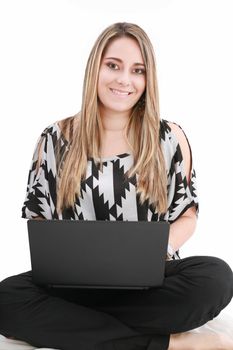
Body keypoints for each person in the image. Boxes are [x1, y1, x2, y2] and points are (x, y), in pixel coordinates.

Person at [0, 22, 233, 350]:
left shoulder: (169, 138)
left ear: (148, 79)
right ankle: (170, 344)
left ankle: (69, 323)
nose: (125, 80)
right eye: (113, 66)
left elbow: (187, 215)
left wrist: (150, 256)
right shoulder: (54, 138)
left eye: (137, 70)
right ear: (95, 67)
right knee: (6, 298)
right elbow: (39, 219)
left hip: (151, 284)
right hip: (74, 286)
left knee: (216, 277)